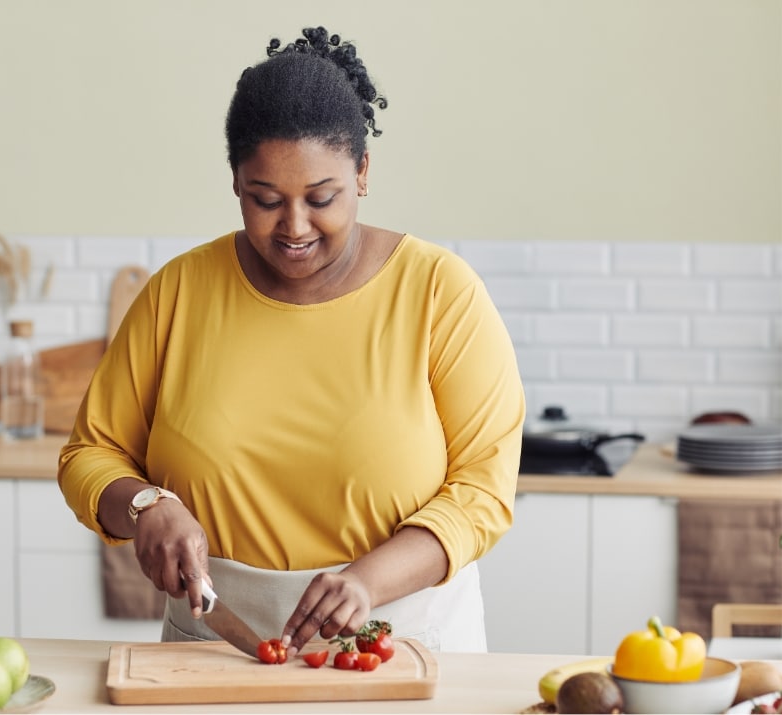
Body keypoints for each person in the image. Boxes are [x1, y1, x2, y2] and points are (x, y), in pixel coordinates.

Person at [58, 25, 525, 655]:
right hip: (213, 645)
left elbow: (483, 491)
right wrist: (145, 504)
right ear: (235, 182)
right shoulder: (179, 293)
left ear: (362, 172)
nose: (294, 227)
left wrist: (368, 580)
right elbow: (90, 454)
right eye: (265, 199)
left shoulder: (440, 292)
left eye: (321, 197)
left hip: (404, 643)